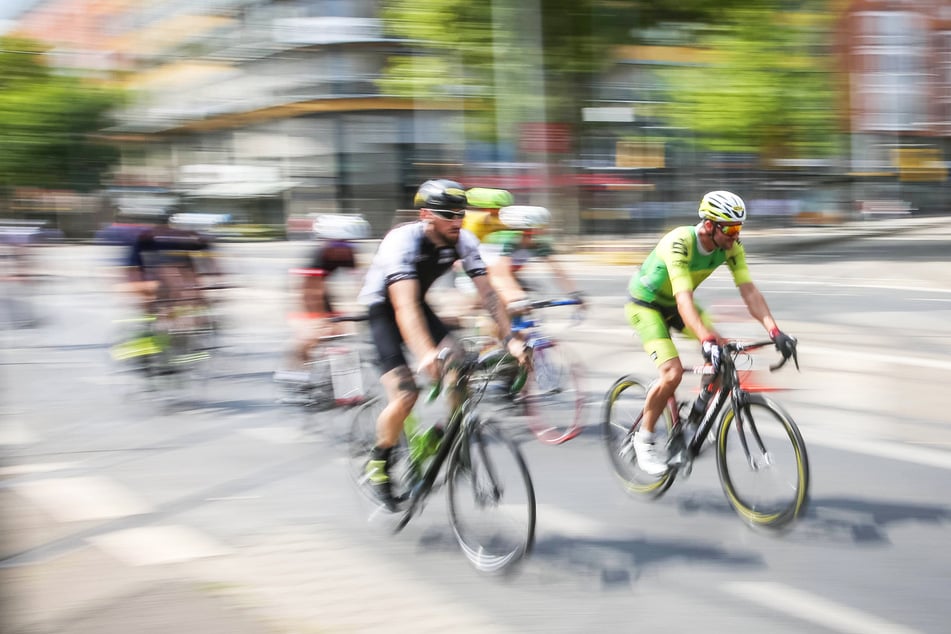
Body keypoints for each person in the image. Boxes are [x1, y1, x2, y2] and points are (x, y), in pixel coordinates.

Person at [357, 179, 526, 510]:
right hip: (384, 310)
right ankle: (379, 460)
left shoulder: (463, 240)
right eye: (448, 214)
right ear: (425, 215)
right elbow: (403, 306)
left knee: (460, 366)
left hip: (418, 306)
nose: (457, 221)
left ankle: (453, 436)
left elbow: (489, 294)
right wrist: (425, 354)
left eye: (460, 214)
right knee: (406, 394)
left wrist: (512, 338)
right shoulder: (402, 242)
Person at [625, 190, 797, 475]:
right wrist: (705, 340)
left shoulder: (730, 247)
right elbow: (684, 300)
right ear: (708, 225)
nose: (735, 235)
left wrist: (775, 330)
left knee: (724, 355)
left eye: (739, 228)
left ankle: (694, 419)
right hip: (647, 306)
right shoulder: (679, 242)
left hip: (679, 306)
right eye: (729, 228)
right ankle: (644, 439)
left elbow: (749, 291)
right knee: (672, 373)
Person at [274, 214, 369, 384]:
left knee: (341, 329)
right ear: (327, 242)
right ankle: (295, 370)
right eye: (338, 244)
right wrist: (321, 321)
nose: (344, 248)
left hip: (324, 290)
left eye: (349, 244)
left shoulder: (349, 254)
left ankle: (333, 377)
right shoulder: (317, 257)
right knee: (311, 332)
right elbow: (311, 293)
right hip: (303, 291)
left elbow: (363, 282)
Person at [480, 205, 584, 309]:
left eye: (542, 228)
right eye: (537, 230)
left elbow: (558, 270)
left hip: (509, 278)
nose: (542, 233)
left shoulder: (539, 244)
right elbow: (499, 275)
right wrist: (516, 297)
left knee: (520, 309)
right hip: (482, 277)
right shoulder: (506, 241)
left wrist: (574, 293)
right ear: (524, 231)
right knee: (497, 311)